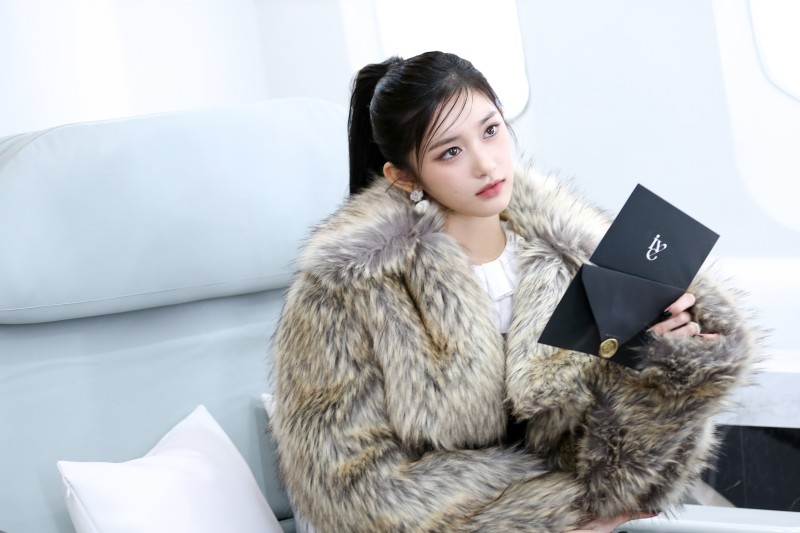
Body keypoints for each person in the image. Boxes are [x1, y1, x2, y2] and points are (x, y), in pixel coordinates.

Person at [270, 51, 757, 532]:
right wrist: (553, 518)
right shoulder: (344, 288)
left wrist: (654, 371)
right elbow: (349, 482)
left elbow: (613, 468)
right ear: (404, 176)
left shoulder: (574, 260)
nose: (486, 164)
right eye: (450, 152)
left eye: (491, 130)